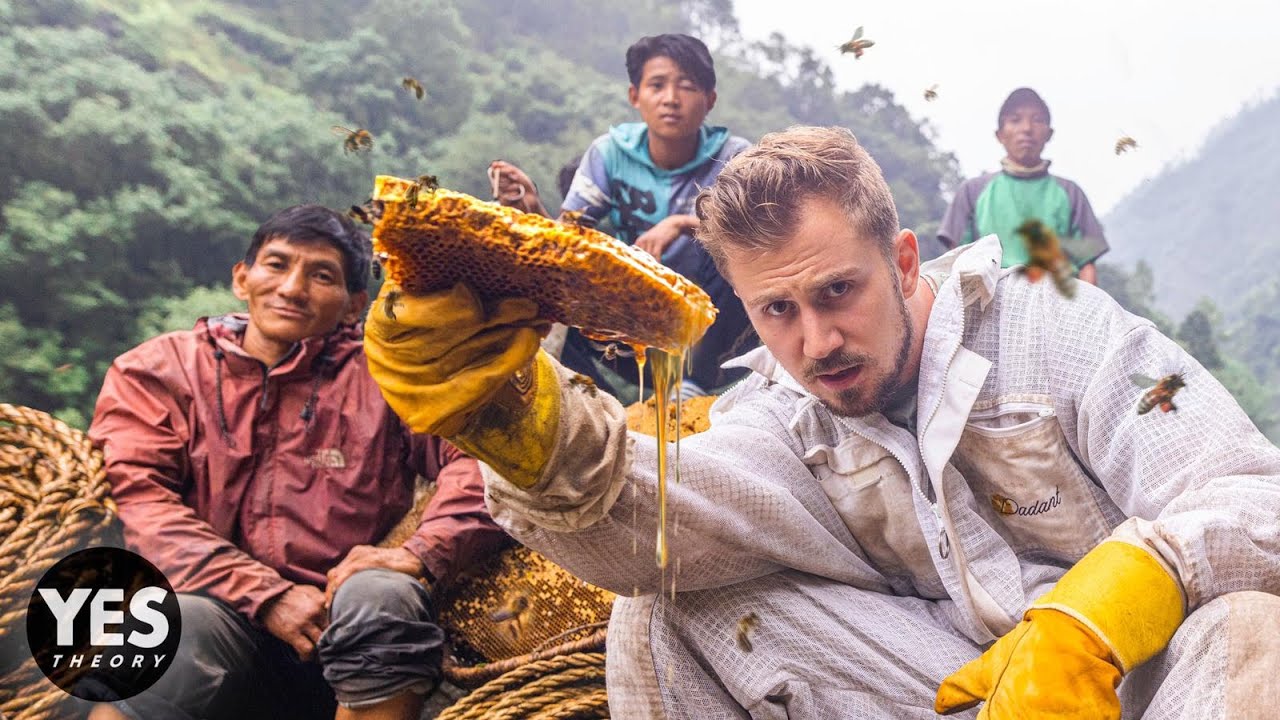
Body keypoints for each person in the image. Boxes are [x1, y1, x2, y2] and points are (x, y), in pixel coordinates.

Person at [364, 126, 1280, 719]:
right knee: (661, 613)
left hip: (1136, 687)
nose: (818, 341)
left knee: (1248, 629)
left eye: (839, 290)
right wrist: (515, 420)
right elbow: (653, 524)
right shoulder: (781, 412)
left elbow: (1255, 498)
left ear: (904, 257)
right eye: (778, 311)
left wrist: (1104, 608)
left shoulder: (1061, 324)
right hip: (944, 690)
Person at [86, 206, 508, 720]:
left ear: (355, 305)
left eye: (321, 275)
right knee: (165, 625)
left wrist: (421, 552)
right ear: (242, 278)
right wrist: (265, 595)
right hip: (217, 611)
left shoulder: (388, 378)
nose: (291, 287)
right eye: (276, 265)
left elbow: (481, 461)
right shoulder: (158, 371)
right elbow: (139, 501)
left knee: (382, 594)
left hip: (341, 616)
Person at [488, 33, 754, 403]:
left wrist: (679, 224)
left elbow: (762, 240)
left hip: (719, 334)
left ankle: (691, 385)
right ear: (635, 96)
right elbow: (568, 242)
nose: (671, 99)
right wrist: (532, 209)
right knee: (553, 278)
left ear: (709, 101)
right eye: (657, 85)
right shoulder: (610, 154)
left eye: (687, 87)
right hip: (634, 331)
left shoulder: (734, 157)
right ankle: (598, 404)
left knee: (737, 241)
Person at [938, 87, 1108, 284]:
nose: (1027, 128)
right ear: (1000, 135)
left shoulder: (1071, 194)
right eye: (1015, 120)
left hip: (1058, 304)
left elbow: (1087, 265)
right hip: (991, 302)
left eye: (1037, 120)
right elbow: (956, 260)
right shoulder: (972, 192)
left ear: (1049, 133)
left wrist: (1086, 311)